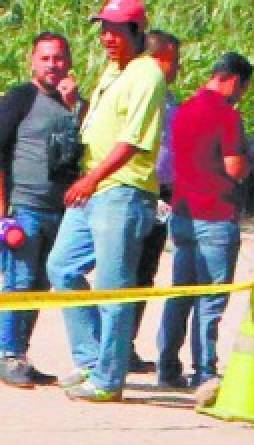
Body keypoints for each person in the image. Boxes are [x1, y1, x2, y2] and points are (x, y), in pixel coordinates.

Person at [46, 0, 166, 402]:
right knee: (61, 266)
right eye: (103, 30)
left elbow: (134, 139)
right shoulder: (113, 71)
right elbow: (98, 125)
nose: (107, 38)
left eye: (116, 30)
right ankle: (92, 360)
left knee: (114, 286)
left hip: (123, 190)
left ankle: (109, 379)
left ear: (137, 31)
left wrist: (92, 179)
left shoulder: (147, 74)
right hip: (93, 187)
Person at [157, 52, 254, 391]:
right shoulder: (227, 116)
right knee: (210, 299)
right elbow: (234, 168)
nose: (240, 95)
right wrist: (253, 157)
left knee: (181, 292)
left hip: (182, 214)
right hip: (215, 214)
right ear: (232, 80)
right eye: (242, 88)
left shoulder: (182, 110)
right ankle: (204, 372)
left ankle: (167, 365)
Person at [0, 32, 82, 389]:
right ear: (33, 61)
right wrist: (3, 211)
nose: (53, 65)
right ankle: (7, 355)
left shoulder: (73, 103)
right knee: (18, 282)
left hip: (59, 210)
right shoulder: (20, 98)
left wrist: (76, 106)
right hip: (25, 207)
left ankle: (21, 353)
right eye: (46, 58)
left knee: (39, 284)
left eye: (59, 58)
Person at [128, 29, 180, 373]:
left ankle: (126, 344)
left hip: (163, 195)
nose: (177, 69)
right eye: (174, 61)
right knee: (124, 270)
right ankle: (109, 344)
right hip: (136, 190)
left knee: (145, 271)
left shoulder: (170, 98)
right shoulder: (141, 94)